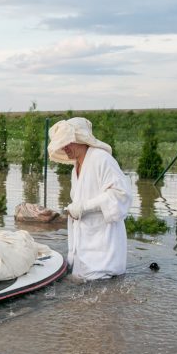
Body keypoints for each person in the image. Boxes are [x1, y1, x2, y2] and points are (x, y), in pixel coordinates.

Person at [47, 117, 132, 280]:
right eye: (62, 144)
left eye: (68, 142)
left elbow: (121, 195)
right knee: (80, 291)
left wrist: (84, 207)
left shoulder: (101, 159)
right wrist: (75, 210)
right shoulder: (75, 168)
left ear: (81, 139)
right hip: (85, 243)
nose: (64, 148)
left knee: (102, 295)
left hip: (103, 245)